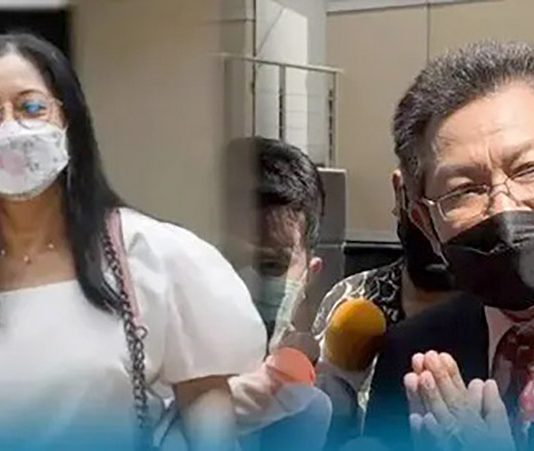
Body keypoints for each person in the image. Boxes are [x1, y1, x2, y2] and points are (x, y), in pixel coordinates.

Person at [0, 33, 266, 451]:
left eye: (31, 108)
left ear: (69, 120)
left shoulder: (151, 254)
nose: (10, 130)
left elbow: (202, 395)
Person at [365, 40, 534, 451]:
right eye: (464, 191)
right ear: (426, 223)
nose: (504, 206)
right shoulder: (411, 354)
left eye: (528, 169)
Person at [311, 169, 456, 446]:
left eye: (454, 197)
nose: (432, 227)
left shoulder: (510, 324)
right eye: (422, 201)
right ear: (399, 191)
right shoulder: (350, 300)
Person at [223, 137, 332, 451]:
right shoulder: (152, 370)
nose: (243, 283)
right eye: (224, 261)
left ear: (310, 276)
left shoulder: (314, 407)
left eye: (271, 265)